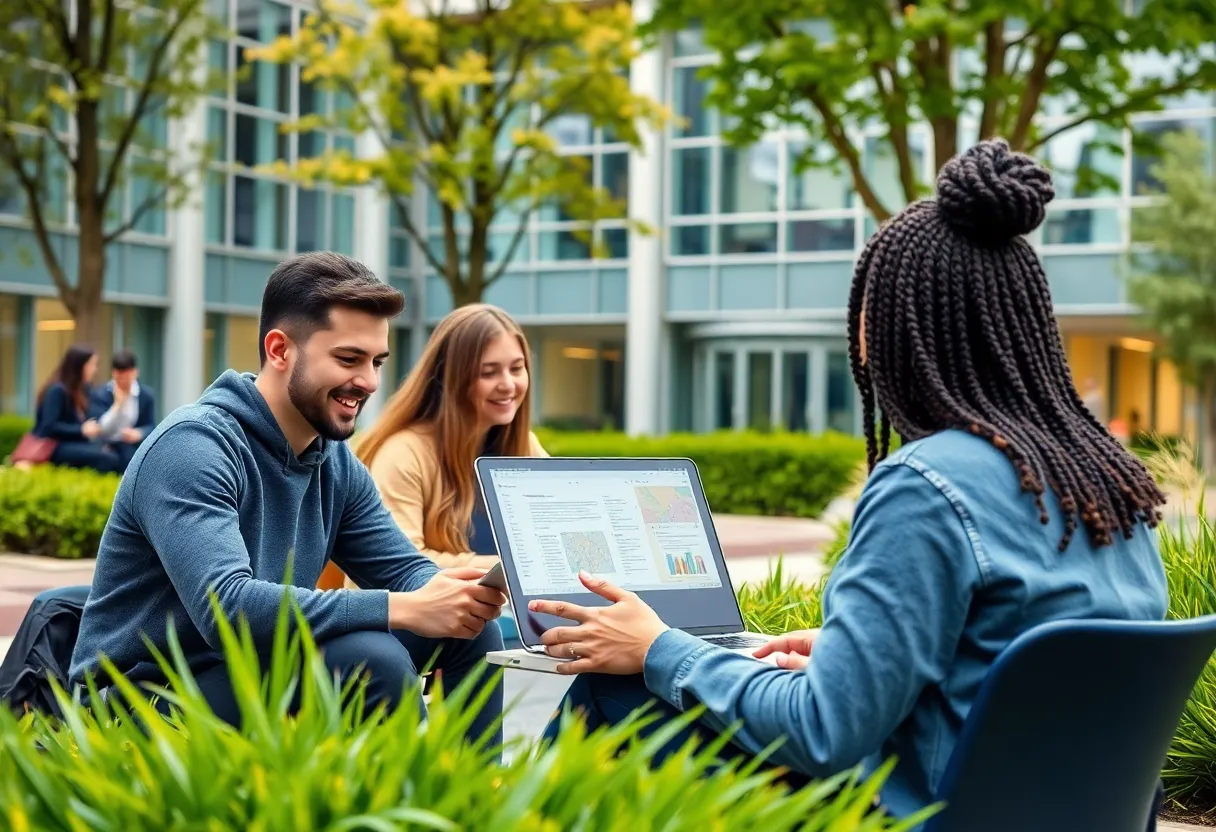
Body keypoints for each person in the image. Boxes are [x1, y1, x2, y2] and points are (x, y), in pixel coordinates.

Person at [528, 139, 1169, 821]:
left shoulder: (927, 485)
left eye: (864, 311)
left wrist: (659, 647)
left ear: (897, 332)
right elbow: (1011, 667)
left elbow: (822, 733)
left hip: (915, 815)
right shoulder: (1107, 480)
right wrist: (850, 658)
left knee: (616, 684)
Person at [68, 252, 508, 750]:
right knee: (370, 659)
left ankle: (471, 804)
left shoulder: (332, 461)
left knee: (470, 628)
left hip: (254, 670)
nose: (368, 381)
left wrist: (455, 594)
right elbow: (228, 609)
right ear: (279, 350)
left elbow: (403, 571)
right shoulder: (193, 447)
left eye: (377, 361)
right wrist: (400, 608)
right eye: (348, 359)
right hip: (139, 702)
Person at [350, 304, 548, 647]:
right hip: (404, 626)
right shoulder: (403, 452)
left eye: (517, 368)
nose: (508, 384)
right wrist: (506, 568)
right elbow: (393, 565)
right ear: (451, 378)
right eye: (489, 372)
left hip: (503, 618)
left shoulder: (524, 446)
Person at [32, 344, 124, 474]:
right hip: (54, 446)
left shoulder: (82, 390)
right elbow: (49, 427)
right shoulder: (57, 390)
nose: (94, 370)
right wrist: (81, 430)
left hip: (72, 443)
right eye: (91, 365)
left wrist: (117, 406)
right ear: (79, 366)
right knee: (107, 458)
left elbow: (96, 414)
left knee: (115, 451)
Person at [89, 349, 157, 471]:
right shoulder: (101, 394)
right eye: (119, 378)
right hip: (106, 445)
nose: (123, 382)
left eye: (126, 377)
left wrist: (138, 433)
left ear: (135, 373)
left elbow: (151, 426)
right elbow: (99, 427)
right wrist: (117, 405)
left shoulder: (145, 395)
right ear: (114, 374)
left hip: (131, 445)